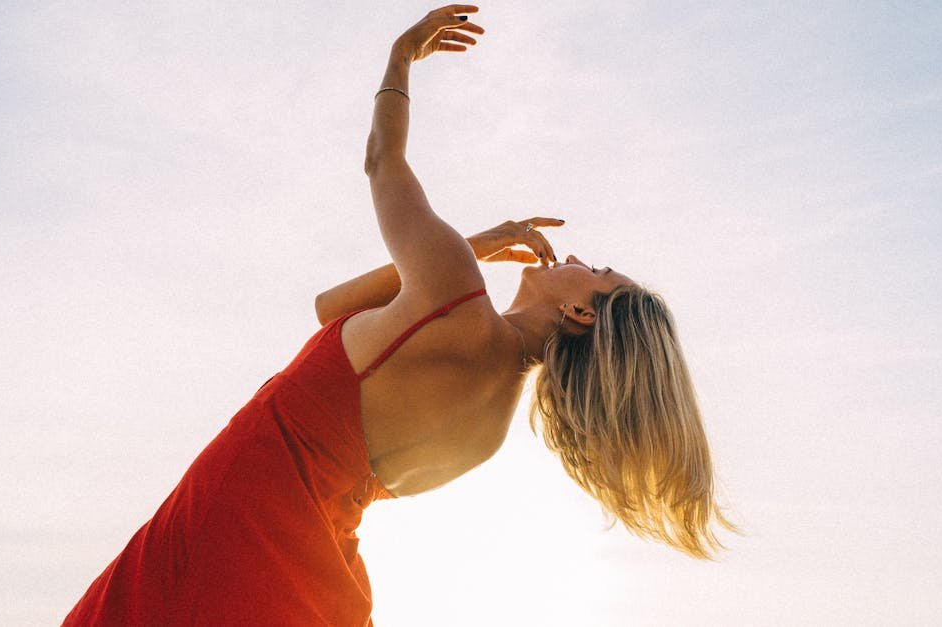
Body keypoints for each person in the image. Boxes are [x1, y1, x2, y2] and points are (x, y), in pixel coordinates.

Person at [62, 4, 736, 625]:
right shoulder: (490, 429)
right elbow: (332, 309)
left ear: (582, 310)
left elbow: (383, 161)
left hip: (226, 535)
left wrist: (400, 57)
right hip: (312, 591)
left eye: (597, 268)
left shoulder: (455, 294)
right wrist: (458, 251)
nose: (580, 257)